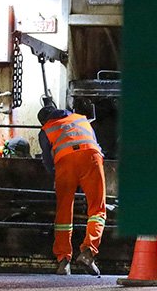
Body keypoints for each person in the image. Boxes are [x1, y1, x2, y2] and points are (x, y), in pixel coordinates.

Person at [38, 104, 106, 276]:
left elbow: (47, 160)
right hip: (91, 158)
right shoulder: (80, 119)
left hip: (65, 164)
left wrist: (56, 175)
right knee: (97, 209)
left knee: (64, 212)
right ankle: (88, 253)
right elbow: (94, 143)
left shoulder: (46, 129)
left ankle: (63, 261)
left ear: (43, 121)